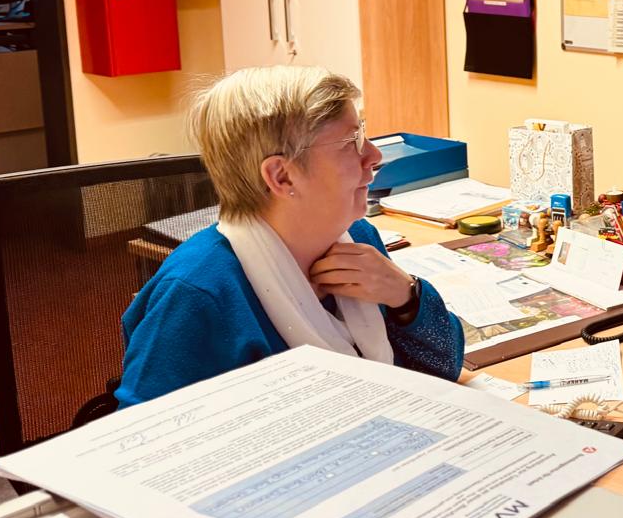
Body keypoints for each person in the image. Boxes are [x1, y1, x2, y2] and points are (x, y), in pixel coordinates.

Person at [116, 67, 464, 406]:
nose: (374, 156)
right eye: (351, 142)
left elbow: (442, 369)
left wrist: (407, 297)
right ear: (282, 177)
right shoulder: (196, 292)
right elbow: (139, 447)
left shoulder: (357, 238)